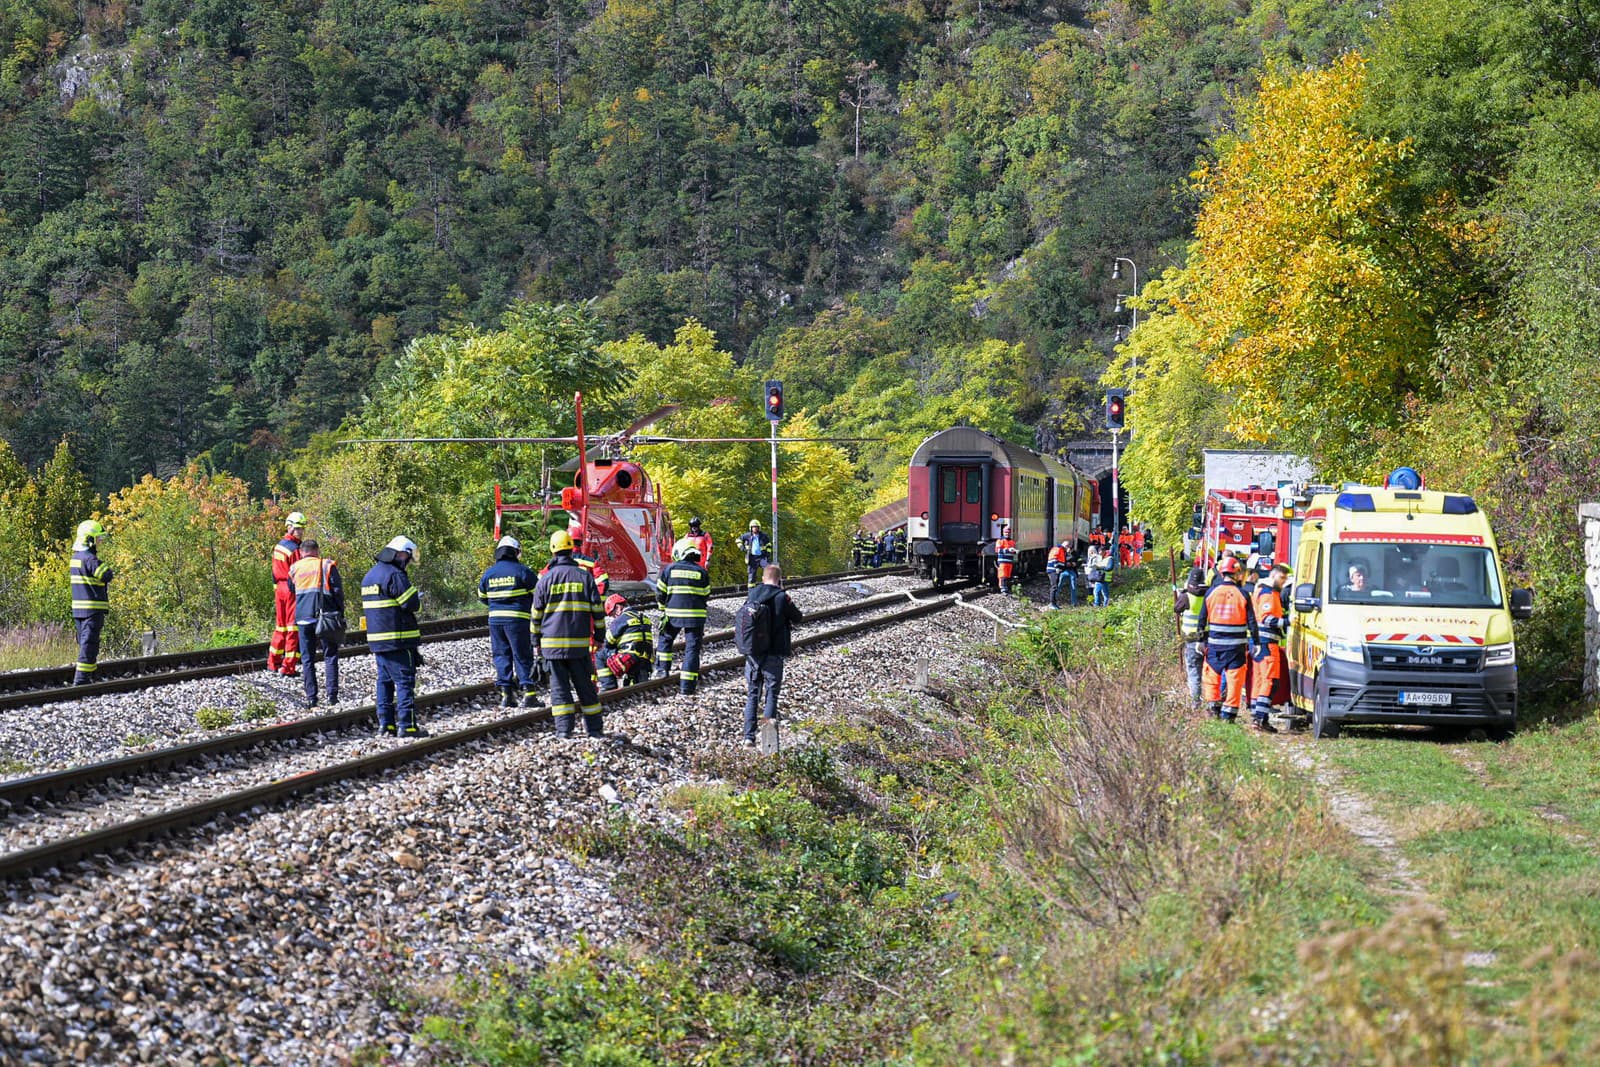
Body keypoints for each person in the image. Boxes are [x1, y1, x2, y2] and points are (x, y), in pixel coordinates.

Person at [532, 529, 607, 737]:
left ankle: (564, 732)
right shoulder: (584, 577)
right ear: (572, 550)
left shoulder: (544, 580)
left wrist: (535, 641)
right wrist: (599, 637)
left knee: (559, 690)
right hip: (579, 646)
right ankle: (594, 730)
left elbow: (536, 615)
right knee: (586, 689)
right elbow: (598, 612)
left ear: (553, 551)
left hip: (551, 647)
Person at [361, 536, 427, 737]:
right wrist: (417, 597)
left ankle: (386, 725)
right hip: (398, 640)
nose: (407, 562)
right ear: (400, 553)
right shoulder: (395, 575)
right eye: (407, 558)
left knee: (384, 682)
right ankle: (407, 726)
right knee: (405, 683)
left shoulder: (369, 576)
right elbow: (411, 604)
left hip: (378, 641)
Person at [741, 564, 805, 746]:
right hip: (774, 654)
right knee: (771, 695)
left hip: (753, 653)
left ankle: (748, 737)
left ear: (763, 578)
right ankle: (768, 743)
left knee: (753, 694)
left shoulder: (753, 593)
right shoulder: (781, 597)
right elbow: (797, 617)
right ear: (779, 579)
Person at [478, 535, 541, 708]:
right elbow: (538, 594)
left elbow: (483, 597)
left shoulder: (489, 573)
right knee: (521, 655)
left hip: (495, 621)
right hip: (517, 620)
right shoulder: (522, 571)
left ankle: (507, 695)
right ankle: (529, 694)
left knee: (501, 655)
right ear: (515, 552)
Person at [1199, 554, 1260, 723]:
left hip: (1215, 646)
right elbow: (1252, 621)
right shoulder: (1243, 594)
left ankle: (1213, 708)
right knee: (1235, 679)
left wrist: (1200, 640)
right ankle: (1229, 714)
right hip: (1237, 648)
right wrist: (1256, 642)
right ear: (1237, 573)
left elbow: (1202, 618)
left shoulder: (1211, 592)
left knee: (1212, 677)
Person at [289, 540, 343, 709]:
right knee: (330, 656)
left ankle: (312, 698)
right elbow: (337, 591)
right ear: (317, 551)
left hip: (303, 618)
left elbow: (292, 589)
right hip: (325, 617)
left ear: (302, 552)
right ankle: (332, 696)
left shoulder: (295, 568)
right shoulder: (326, 565)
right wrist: (340, 613)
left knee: (307, 660)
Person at [654, 537, 712, 695]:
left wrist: (663, 608)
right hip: (696, 617)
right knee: (692, 649)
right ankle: (687, 687)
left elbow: (660, 592)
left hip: (673, 615)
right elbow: (706, 594)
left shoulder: (669, 570)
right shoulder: (701, 572)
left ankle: (662, 670)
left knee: (665, 641)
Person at [69, 519, 113, 685]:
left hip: (78, 610)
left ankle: (91, 676)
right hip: (92, 609)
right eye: (98, 539)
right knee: (89, 644)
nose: (99, 542)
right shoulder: (90, 560)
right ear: (89, 540)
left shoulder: (75, 558)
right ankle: (81, 680)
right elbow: (106, 574)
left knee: (85, 642)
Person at [1249, 562, 1292, 732]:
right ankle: (1259, 719)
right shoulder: (1268, 593)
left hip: (1259, 643)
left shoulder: (1263, 591)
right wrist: (1288, 622)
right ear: (1273, 576)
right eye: (1282, 578)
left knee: (1260, 680)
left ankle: (1258, 716)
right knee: (1269, 681)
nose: (1283, 582)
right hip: (1267, 643)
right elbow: (1267, 618)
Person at [268, 513, 307, 676]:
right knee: (292, 627)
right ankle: (288, 667)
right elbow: (299, 571)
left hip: (279, 588)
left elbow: (274, 571)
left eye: (302, 528)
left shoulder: (279, 546)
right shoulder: (294, 549)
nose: (300, 532)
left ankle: (273, 662)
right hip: (291, 589)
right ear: (289, 526)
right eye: (297, 528)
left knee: (280, 626)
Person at [600, 593, 654, 689]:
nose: (613, 617)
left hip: (629, 659)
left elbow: (608, 641)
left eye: (612, 614)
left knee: (600, 653)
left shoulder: (621, 619)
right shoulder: (643, 617)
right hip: (647, 659)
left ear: (618, 607)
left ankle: (608, 686)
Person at [1175, 565, 1208, 707]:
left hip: (1191, 639)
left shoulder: (1186, 596)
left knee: (1194, 670)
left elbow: (1177, 608)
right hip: (1207, 638)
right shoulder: (1210, 594)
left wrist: (1181, 592)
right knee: (1208, 671)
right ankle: (1214, 700)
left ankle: (1196, 702)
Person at [567, 522, 611, 598]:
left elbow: (542, 580)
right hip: (584, 604)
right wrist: (593, 597)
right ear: (581, 542)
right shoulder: (591, 563)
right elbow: (603, 581)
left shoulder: (557, 562)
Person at [738, 520, 773, 587]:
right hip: (752, 558)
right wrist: (741, 547)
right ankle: (751, 589)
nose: (755, 528)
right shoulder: (747, 536)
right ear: (750, 528)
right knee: (752, 574)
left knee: (768, 571)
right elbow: (738, 540)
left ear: (759, 528)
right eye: (753, 527)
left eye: (756, 527)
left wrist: (768, 553)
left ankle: (768, 587)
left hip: (762, 557)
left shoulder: (764, 536)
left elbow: (768, 545)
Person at [994, 525, 1017, 595]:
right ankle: (1003, 590)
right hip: (1002, 561)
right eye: (1006, 532)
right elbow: (997, 550)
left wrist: (1015, 551)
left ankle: (1005, 589)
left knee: (1007, 576)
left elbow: (1012, 551)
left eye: (1008, 532)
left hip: (1009, 561)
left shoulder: (1012, 542)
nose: (1007, 534)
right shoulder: (1000, 541)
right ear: (1003, 533)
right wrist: (1008, 550)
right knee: (1002, 575)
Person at [1046, 540, 1070, 609]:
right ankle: (1052, 604)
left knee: (1055, 586)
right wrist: (1056, 567)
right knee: (1054, 586)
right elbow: (1054, 558)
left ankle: (1054, 603)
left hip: (1054, 570)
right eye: (1067, 547)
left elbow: (1062, 560)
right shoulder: (1059, 549)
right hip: (1053, 570)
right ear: (1065, 546)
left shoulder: (1061, 549)